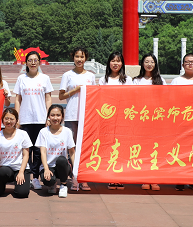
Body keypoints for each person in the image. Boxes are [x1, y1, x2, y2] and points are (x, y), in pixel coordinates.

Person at [13, 51, 53, 191]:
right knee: (25, 150)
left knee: (37, 150)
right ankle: (24, 175)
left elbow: (48, 98)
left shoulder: (45, 78)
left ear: (40, 62)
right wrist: (17, 118)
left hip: (40, 119)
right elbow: (17, 99)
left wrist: (48, 116)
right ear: (26, 63)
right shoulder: (21, 79)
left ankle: (35, 177)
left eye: (36, 60)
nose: (33, 62)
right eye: (30, 60)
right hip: (25, 119)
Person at [59, 47, 95, 191]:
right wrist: (75, 90)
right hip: (72, 115)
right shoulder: (67, 75)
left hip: (86, 115)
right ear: (72, 58)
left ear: (86, 58)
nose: (79, 59)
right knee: (72, 148)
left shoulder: (91, 76)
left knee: (85, 147)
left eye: (82, 57)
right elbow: (61, 96)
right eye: (77, 56)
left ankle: (83, 178)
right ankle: (74, 177)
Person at [170, 53, 193, 192]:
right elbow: (170, 100)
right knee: (180, 150)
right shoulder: (176, 81)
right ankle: (179, 179)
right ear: (183, 65)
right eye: (187, 62)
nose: (190, 64)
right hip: (180, 122)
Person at [98, 51, 129, 190]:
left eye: (118, 61)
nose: (115, 63)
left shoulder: (128, 80)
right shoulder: (103, 80)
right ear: (108, 63)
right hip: (107, 119)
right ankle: (110, 176)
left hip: (123, 119)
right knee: (109, 146)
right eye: (113, 61)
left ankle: (120, 176)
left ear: (122, 63)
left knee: (121, 147)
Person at [133, 54, 164, 191]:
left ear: (155, 64)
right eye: (146, 61)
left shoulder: (160, 80)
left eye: (152, 62)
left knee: (155, 148)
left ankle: (155, 178)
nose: (149, 64)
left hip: (156, 120)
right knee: (143, 148)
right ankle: (144, 177)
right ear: (142, 64)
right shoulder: (136, 81)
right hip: (141, 120)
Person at [0, 108, 32, 198]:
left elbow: (26, 155)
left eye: (12, 119)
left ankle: (19, 183)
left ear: (16, 120)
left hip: (20, 168)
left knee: (22, 194)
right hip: (6, 169)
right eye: (6, 118)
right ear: (2, 120)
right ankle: (1, 186)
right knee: (1, 173)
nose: (9, 121)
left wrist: (21, 172)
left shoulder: (23, 134)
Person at [36, 105, 76, 198]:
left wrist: (75, 172)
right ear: (48, 117)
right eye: (52, 115)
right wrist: (46, 169)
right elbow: (43, 152)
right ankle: (52, 184)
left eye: (58, 115)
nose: (55, 118)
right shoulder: (43, 132)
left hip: (62, 166)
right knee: (48, 180)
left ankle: (63, 184)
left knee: (61, 160)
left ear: (62, 117)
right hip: (48, 167)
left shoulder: (67, 131)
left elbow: (72, 152)